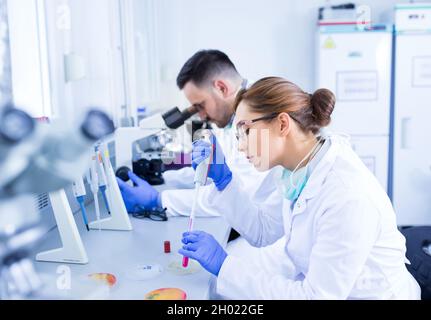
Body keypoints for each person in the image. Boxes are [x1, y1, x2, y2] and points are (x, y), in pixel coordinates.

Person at [179, 77, 421, 299]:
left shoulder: (346, 195)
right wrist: (224, 181)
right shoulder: (295, 170)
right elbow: (263, 230)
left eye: (246, 131)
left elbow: (315, 297)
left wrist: (225, 266)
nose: (241, 147)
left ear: (283, 124)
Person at [117, 50, 285, 250]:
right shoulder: (235, 118)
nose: (202, 116)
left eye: (201, 105)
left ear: (221, 87)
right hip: (256, 228)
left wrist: (158, 199)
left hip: (267, 243)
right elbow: (217, 174)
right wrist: (164, 179)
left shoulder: (259, 116)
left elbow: (236, 193)